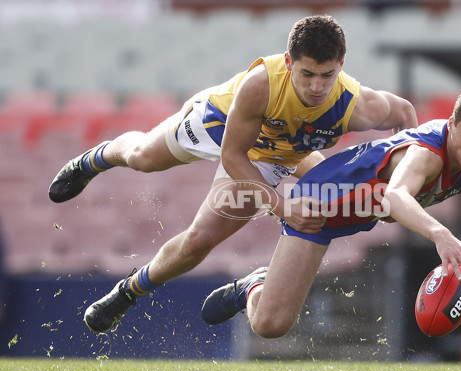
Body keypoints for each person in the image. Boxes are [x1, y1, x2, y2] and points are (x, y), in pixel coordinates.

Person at [48, 15, 418, 333]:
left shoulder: (357, 103)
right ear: (289, 62)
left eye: (327, 75)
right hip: (221, 126)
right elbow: (233, 154)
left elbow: (405, 118)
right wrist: (281, 206)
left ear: (342, 64)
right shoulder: (261, 85)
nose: (317, 87)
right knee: (143, 156)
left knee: (198, 242)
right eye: (307, 74)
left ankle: (127, 292)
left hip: (278, 154)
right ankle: (95, 159)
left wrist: (401, 185)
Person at [201, 81, 461, 344]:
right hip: (318, 205)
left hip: (363, 213)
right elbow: (398, 197)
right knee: (270, 326)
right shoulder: (427, 153)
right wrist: (440, 233)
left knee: (273, 325)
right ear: (451, 125)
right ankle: (255, 284)